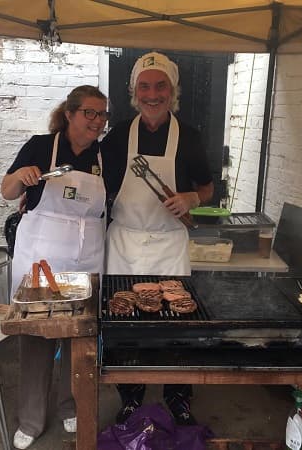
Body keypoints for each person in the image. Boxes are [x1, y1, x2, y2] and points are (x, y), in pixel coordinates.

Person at [101, 52, 214, 426]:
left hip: (169, 243)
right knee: (124, 321)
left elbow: (207, 187)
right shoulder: (117, 135)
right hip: (125, 243)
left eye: (160, 85)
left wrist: (191, 199)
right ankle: (130, 395)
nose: (153, 94)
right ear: (134, 91)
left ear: (172, 90)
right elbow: (95, 181)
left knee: (178, 325)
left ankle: (177, 396)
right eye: (145, 86)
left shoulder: (191, 137)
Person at [1, 85, 109, 450]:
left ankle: (70, 405)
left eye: (102, 114)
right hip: (42, 255)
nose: (96, 121)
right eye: (89, 113)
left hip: (86, 254)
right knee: (37, 338)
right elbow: (7, 190)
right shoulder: (40, 146)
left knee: (76, 335)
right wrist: (22, 176)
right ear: (71, 114)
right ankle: (30, 420)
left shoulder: (104, 154)